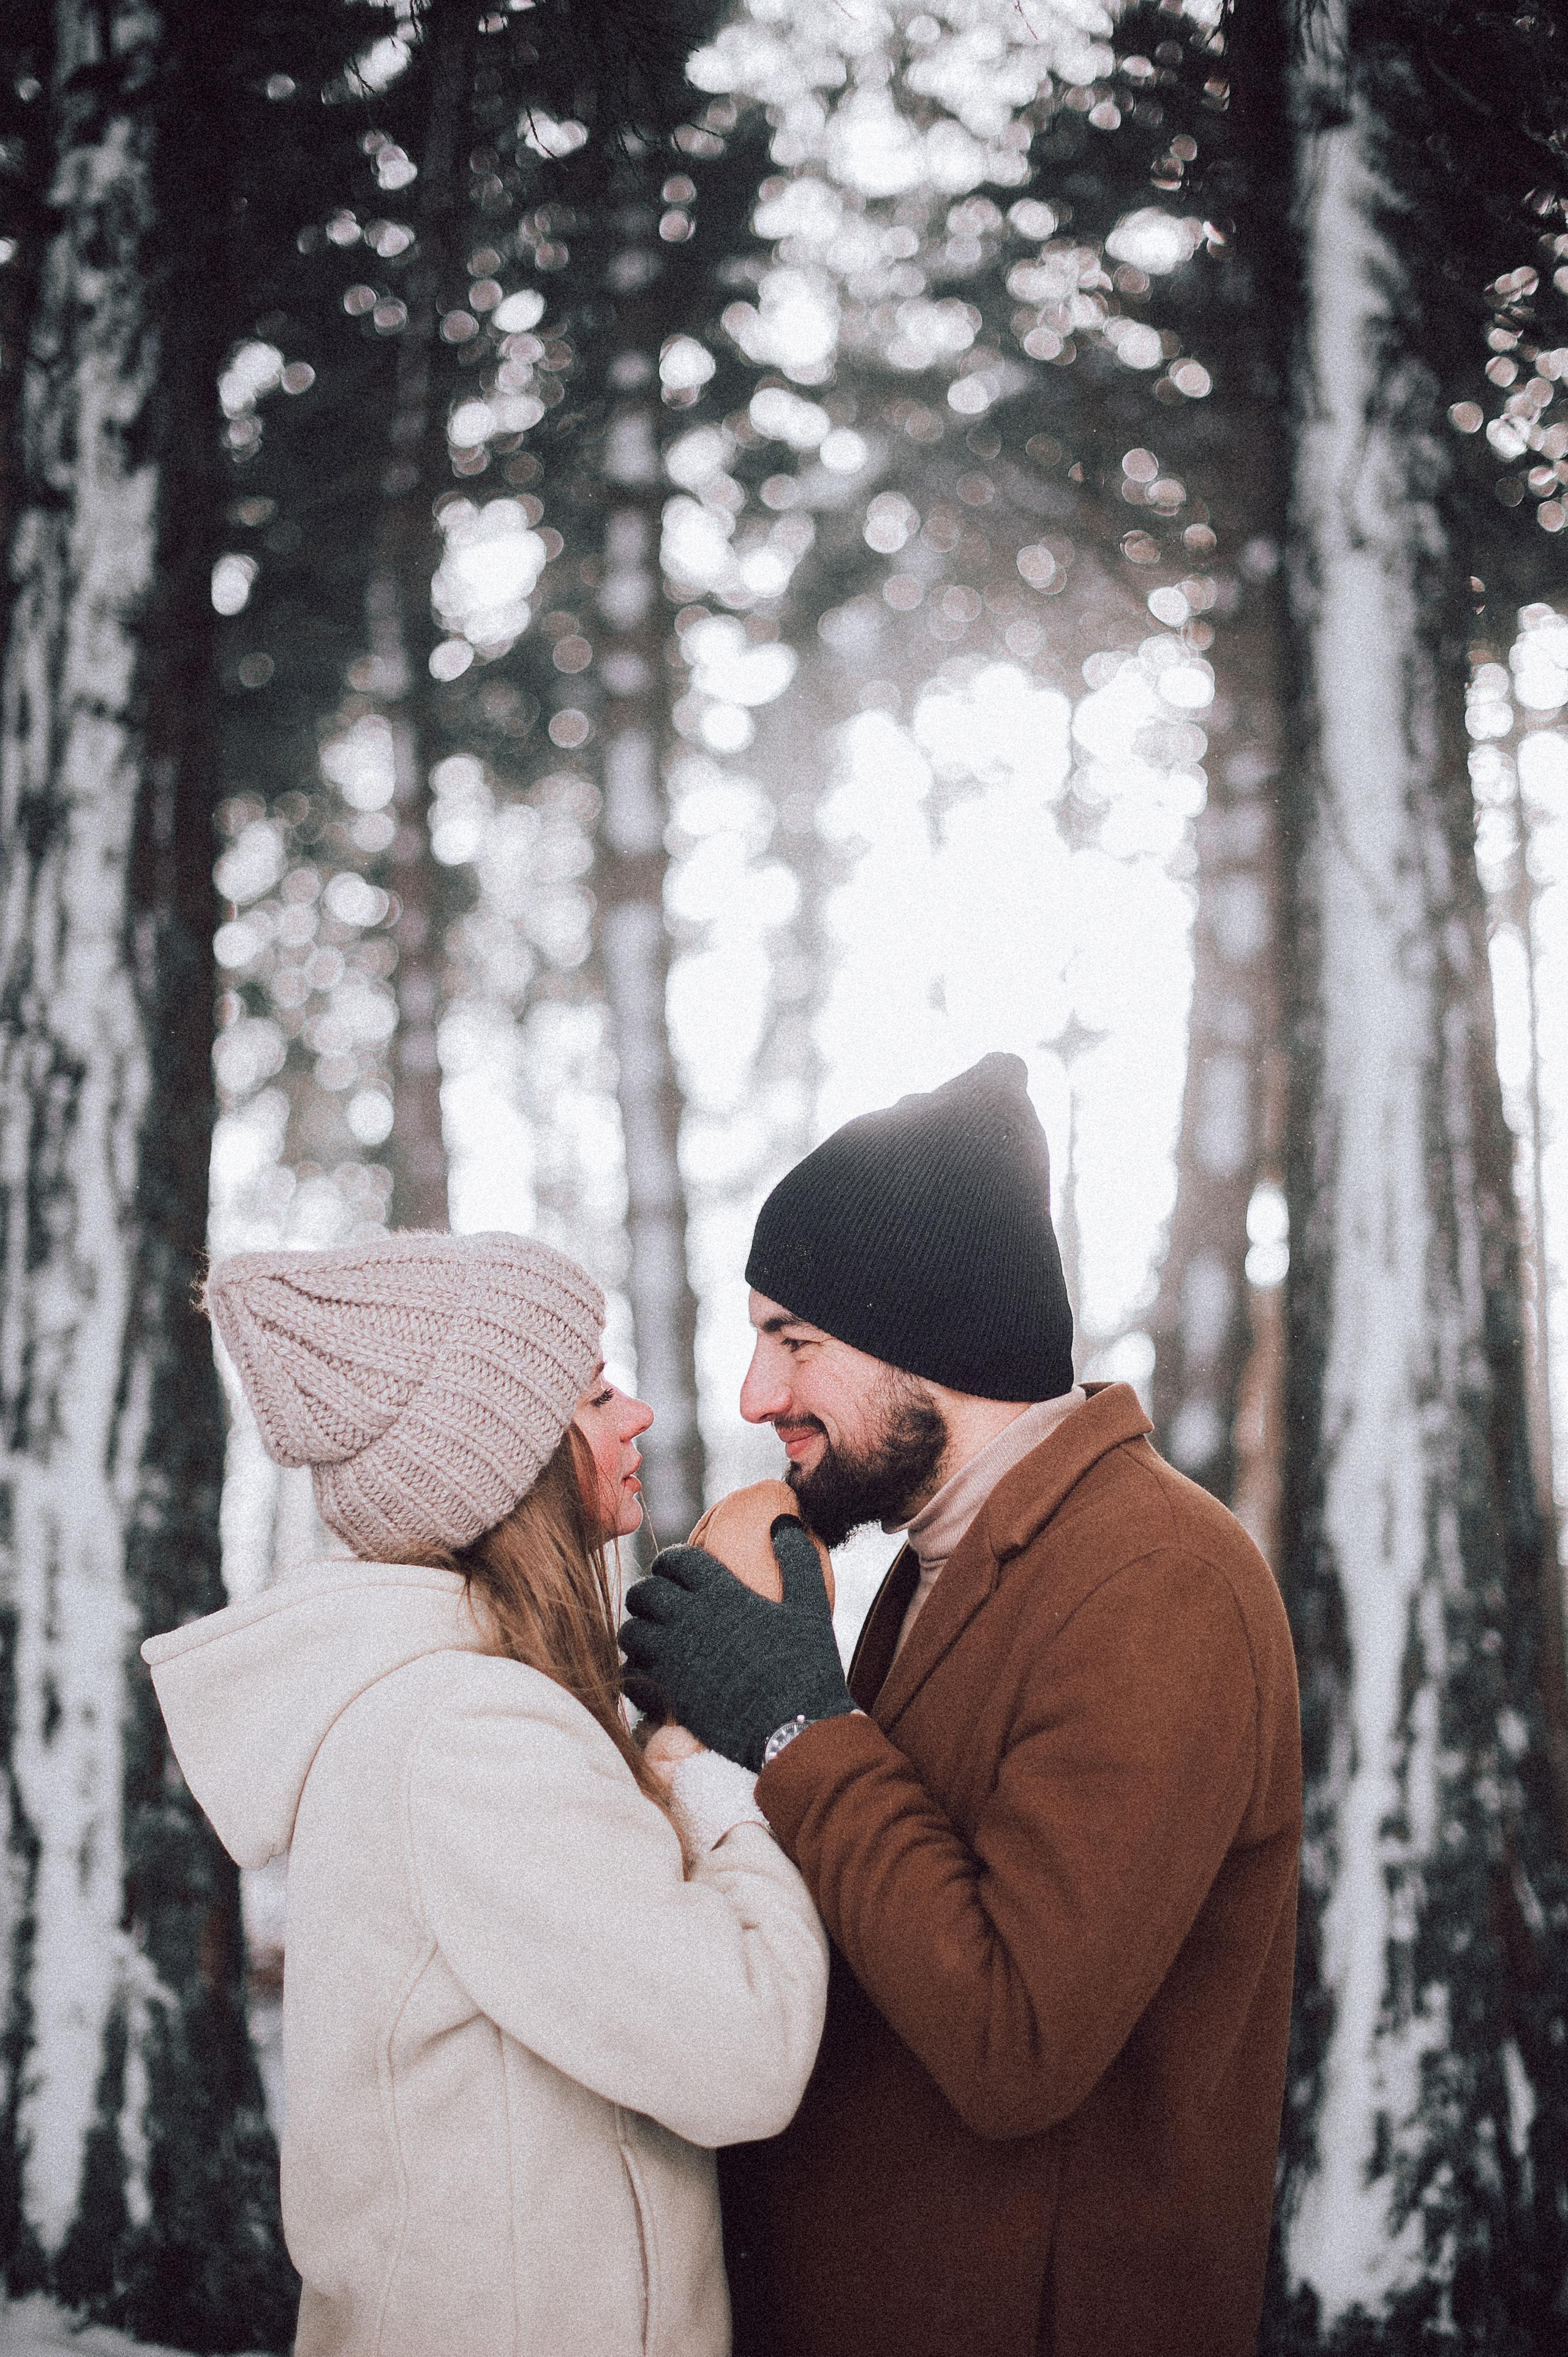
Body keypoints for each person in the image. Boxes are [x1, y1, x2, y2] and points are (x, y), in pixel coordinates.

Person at [620, 1053, 1303, 2357]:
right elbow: (874, 1898)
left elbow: (1014, 2036)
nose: (758, 1396)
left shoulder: (1156, 1580)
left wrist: (796, 1730)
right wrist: (710, 1748)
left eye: (793, 1339)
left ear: (926, 1335)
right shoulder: (945, 1558)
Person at [145, 1230, 827, 2357]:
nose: (639, 1416)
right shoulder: (468, 1740)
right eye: (598, 1392)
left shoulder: (470, 1713)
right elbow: (744, 2050)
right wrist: (710, 1760)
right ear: (511, 1460)